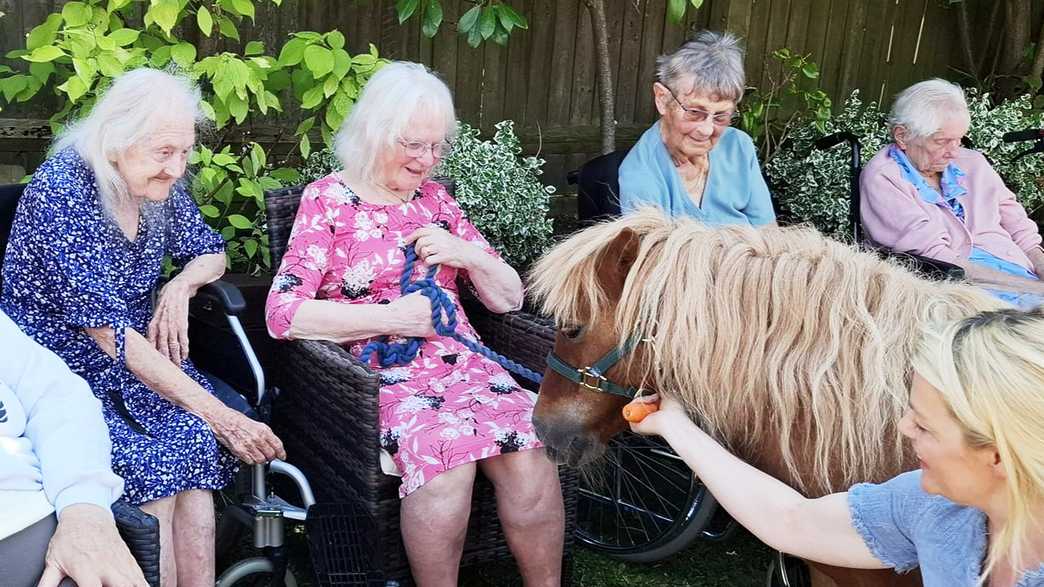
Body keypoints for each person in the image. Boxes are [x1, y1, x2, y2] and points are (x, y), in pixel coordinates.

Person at [265, 61, 564, 587]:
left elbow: (507, 299)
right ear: (376, 133)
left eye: (437, 146)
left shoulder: (436, 202)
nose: (428, 160)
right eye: (414, 145)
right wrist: (389, 317)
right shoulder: (327, 202)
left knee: (530, 454)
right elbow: (283, 314)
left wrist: (465, 252)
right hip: (380, 375)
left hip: (465, 367)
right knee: (446, 463)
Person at [0, 68, 285, 586]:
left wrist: (180, 288)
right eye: (164, 152)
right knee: (158, 464)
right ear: (116, 142)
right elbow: (106, 332)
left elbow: (211, 252)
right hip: (63, 372)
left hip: (137, 363)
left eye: (185, 151)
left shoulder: (155, 184)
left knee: (195, 439)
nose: (178, 167)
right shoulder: (62, 191)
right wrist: (223, 416)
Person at [632, 307, 1044, 586]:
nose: (904, 427)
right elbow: (791, 520)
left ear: (1000, 454)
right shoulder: (939, 509)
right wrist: (674, 425)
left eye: (924, 425)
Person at [861, 78, 1044, 307]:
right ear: (902, 136)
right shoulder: (884, 178)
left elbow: (1016, 223)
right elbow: (935, 260)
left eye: (958, 140)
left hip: (1018, 276)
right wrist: (1030, 289)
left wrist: (1039, 264)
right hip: (951, 293)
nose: (953, 152)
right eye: (942, 142)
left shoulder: (973, 163)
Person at [0, 308, 145, 587]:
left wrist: (86, 506)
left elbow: (58, 397)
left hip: (48, 520)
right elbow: (107, 330)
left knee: (194, 442)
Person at [618, 30, 776, 225]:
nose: (707, 130)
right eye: (694, 112)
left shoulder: (739, 147)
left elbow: (768, 231)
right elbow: (660, 255)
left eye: (721, 115)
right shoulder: (641, 175)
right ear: (662, 99)